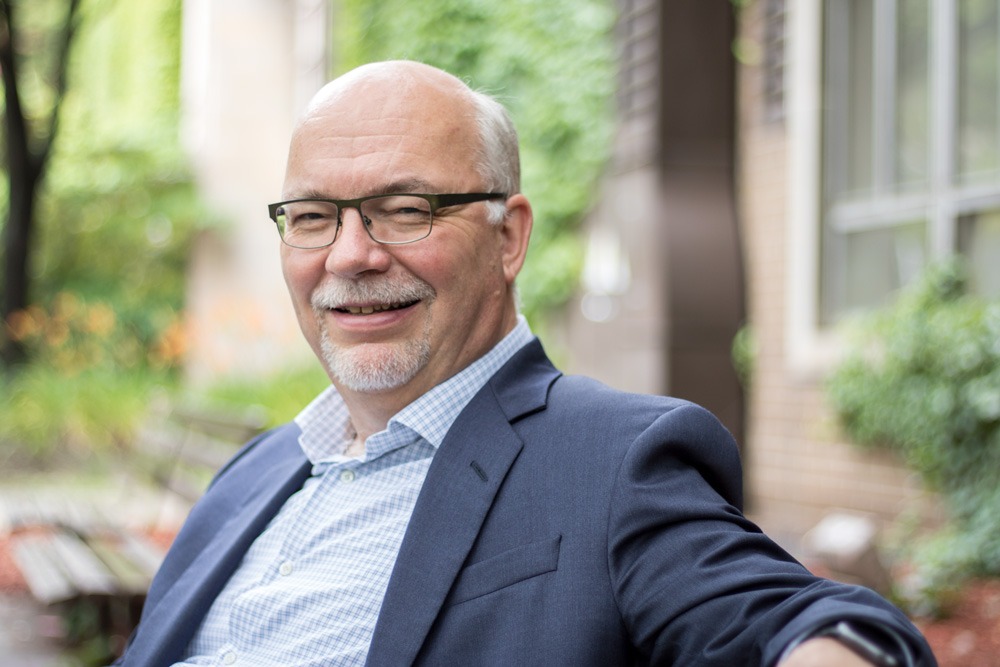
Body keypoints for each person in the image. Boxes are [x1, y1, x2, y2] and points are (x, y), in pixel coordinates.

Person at [116, 60, 936, 666]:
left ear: (507, 237)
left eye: (406, 210)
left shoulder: (611, 461)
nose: (351, 255)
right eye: (313, 216)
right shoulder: (253, 475)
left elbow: (788, 625)